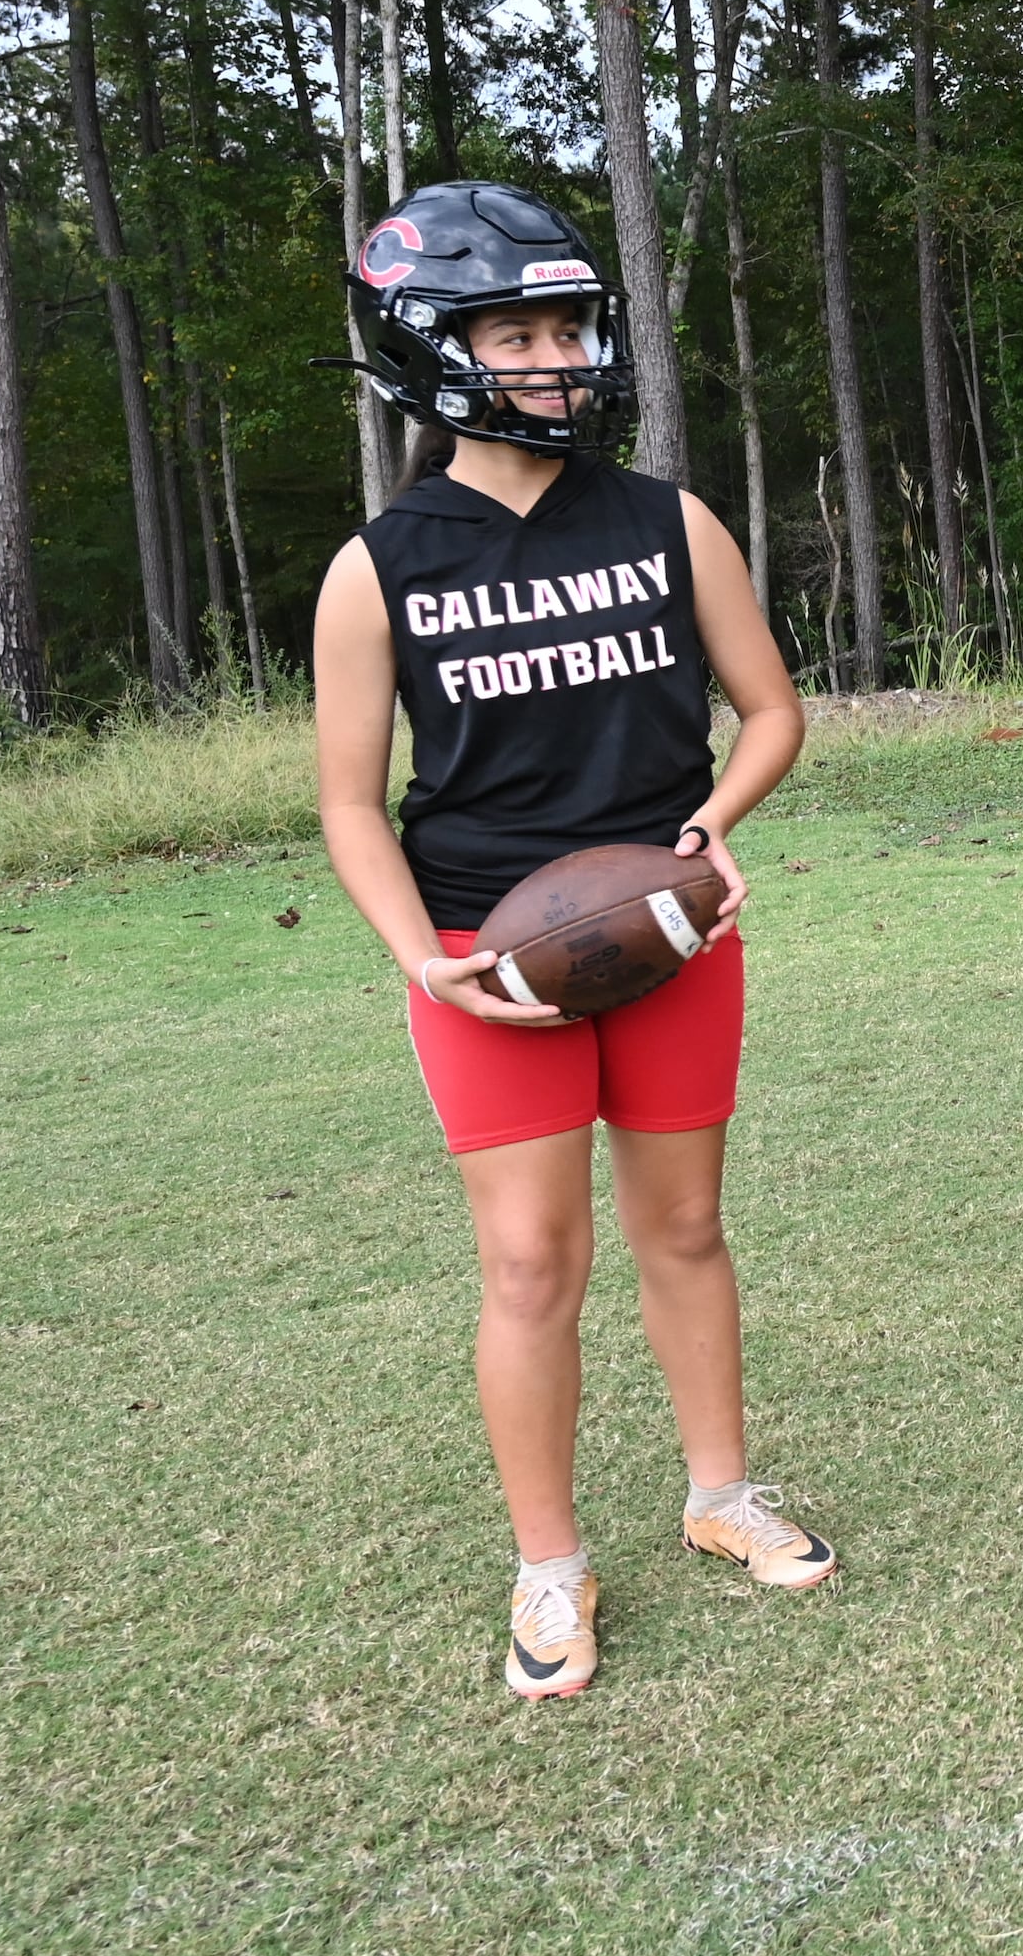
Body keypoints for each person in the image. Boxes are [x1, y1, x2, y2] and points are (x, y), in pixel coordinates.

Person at [314, 182, 834, 1704]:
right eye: (516, 334)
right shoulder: (381, 563)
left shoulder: (668, 517)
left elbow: (776, 710)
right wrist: (424, 956)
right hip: (488, 949)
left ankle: (720, 1493)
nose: (554, 360)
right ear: (433, 351)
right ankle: (550, 1561)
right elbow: (350, 804)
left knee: (683, 1228)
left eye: (565, 330)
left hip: (667, 929)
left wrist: (718, 821)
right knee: (533, 1262)